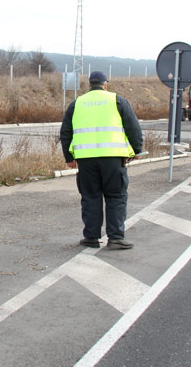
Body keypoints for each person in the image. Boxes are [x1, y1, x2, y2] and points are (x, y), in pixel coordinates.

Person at [60, 71, 143, 250]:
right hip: (113, 159)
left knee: (90, 197)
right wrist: (136, 150)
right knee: (116, 196)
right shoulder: (117, 100)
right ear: (106, 84)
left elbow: (66, 131)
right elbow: (133, 128)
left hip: (86, 161)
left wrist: (69, 157)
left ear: (89, 86)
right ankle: (115, 238)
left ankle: (91, 237)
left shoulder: (77, 104)